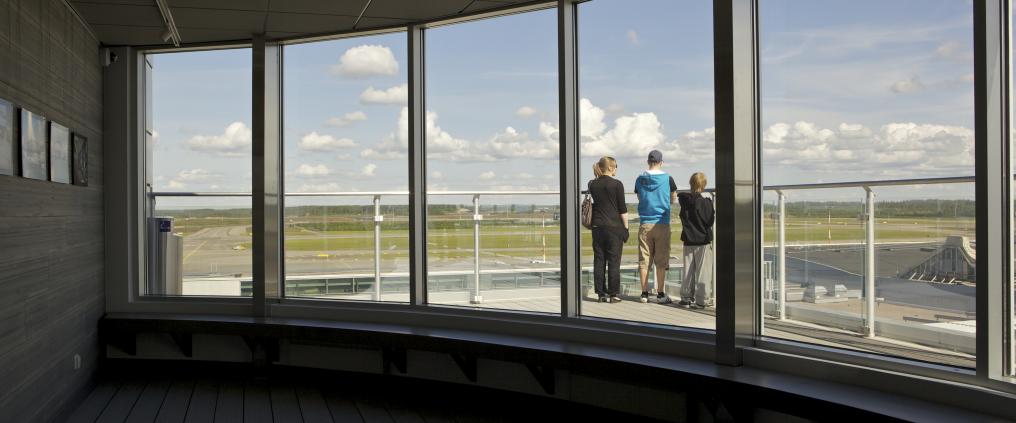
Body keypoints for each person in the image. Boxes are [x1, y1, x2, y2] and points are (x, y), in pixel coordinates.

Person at [634, 150, 677, 304]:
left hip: (645, 222)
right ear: (661, 162)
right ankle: (660, 293)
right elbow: (673, 198)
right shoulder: (668, 178)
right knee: (661, 260)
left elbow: (639, 197)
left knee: (644, 260)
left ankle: (644, 293)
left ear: (648, 162)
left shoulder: (639, 179)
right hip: (662, 222)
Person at [588, 156, 629, 303]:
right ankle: (613, 294)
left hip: (597, 227)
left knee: (599, 260)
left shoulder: (592, 184)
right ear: (611, 167)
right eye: (616, 166)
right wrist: (626, 228)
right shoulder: (617, 184)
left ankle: (601, 294)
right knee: (613, 261)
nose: (617, 168)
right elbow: (622, 209)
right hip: (614, 228)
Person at [677, 172, 715, 309]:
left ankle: (686, 297)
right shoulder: (705, 203)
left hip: (688, 239)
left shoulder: (684, 200)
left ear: (691, 183)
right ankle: (701, 300)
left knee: (688, 270)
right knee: (703, 272)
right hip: (702, 240)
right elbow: (709, 221)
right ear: (703, 185)